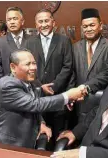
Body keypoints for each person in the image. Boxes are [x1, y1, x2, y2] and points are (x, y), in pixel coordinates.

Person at [0, 49, 85, 148]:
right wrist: (67, 96)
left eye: (34, 63)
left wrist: (41, 123)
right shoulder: (7, 84)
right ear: (13, 67)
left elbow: (31, 102)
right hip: (0, 145)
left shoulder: (30, 83)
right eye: (28, 64)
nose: (33, 67)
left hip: (22, 143)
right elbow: (35, 104)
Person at [25, 9, 73, 148]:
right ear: (36, 24)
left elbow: (67, 67)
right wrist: (40, 87)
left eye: (47, 20)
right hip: (38, 98)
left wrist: (54, 86)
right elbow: (27, 68)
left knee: (59, 136)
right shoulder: (29, 43)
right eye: (40, 21)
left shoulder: (64, 40)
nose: (44, 24)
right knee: (40, 137)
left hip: (58, 97)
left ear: (53, 22)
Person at [68, 8, 108, 123]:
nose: (88, 29)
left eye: (92, 25)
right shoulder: (75, 47)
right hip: (78, 105)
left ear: (100, 25)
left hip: (101, 104)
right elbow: (71, 74)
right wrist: (70, 95)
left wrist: (85, 88)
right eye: (85, 26)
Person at [0, 7, 30, 84]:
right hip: (8, 87)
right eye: (9, 20)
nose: (12, 22)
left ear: (22, 21)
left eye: (15, 19)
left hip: (30, 86)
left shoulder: (32, 40)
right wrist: (0, 85)